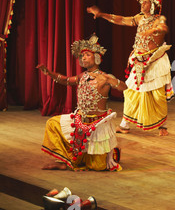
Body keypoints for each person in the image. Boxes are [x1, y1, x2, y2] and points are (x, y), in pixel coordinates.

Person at [87, 0, 174, 136]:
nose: (142, 5)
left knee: (157, 95)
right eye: (142, 2)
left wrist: (152, 31)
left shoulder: (160, 19)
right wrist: (102, 15)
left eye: (146, 2)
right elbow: (121, 20)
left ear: (153, 5)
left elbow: (163, 27)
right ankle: (124, 125)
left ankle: (163, 127)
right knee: (130, 92)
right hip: (138, 61)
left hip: (155, 61)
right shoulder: (139, 18)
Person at [37, 34, 127, 171]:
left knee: (98, 167)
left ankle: (112, 152)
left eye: (87, 55)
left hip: (97, 124)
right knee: (52, 123)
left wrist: (111, 80)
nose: (83, 58)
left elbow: (124, 88)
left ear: (97, 58)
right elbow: (65, 80)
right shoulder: (82, 76)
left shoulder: (105, 77)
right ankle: (63, 161)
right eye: (82, 56)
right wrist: (49, 73)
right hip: (79, 120)